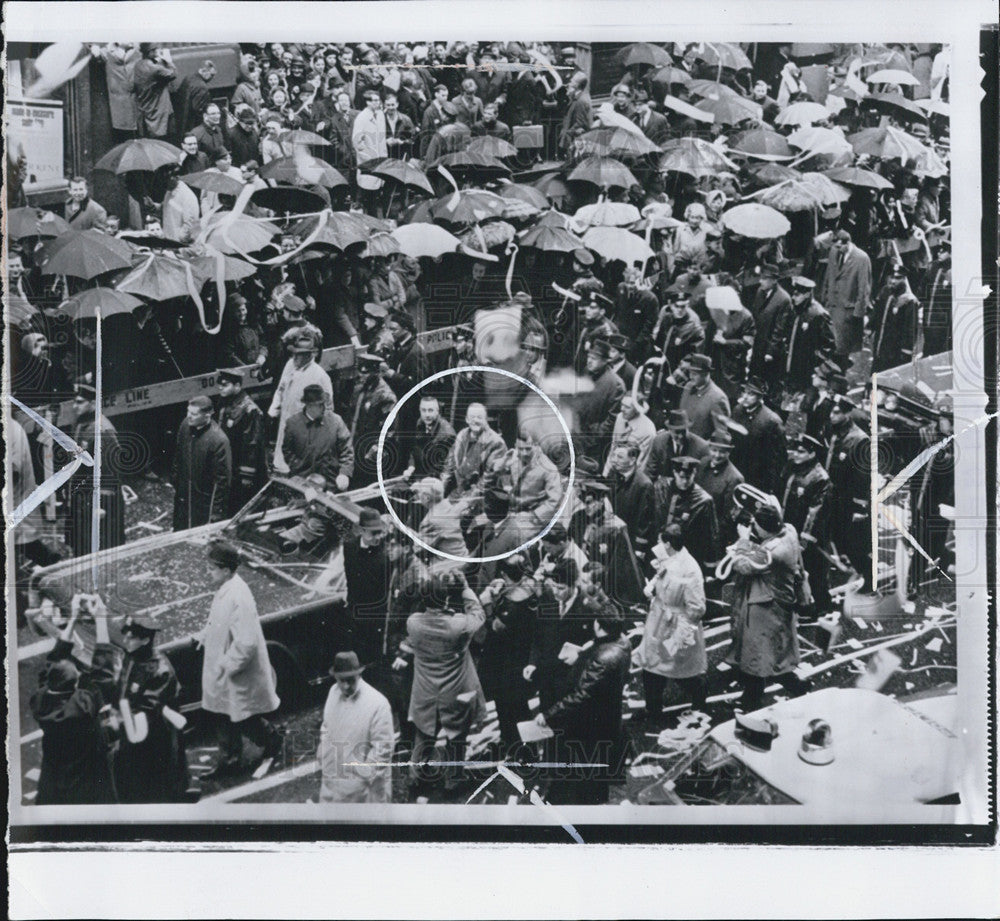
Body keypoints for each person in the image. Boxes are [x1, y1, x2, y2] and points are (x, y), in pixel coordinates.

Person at [197, 540, 283, 778]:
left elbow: (246, 641)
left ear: (226, 570)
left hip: (234, 673)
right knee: (226, 715)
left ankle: (271, 741)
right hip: (226, 670)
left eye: (212, 568)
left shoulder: (238, 596)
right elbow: (219, 622)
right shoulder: (228, 590)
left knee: (242, 716)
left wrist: (226, 666)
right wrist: (205, 636)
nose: (208, 572)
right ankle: (230, 758)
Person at [535, 600, 630, 805]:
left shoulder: (602, 659)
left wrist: (548, 714)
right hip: (608, 720)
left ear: (598, 625)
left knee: (578, 773)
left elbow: (581, 695)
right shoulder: (622, 644)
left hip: (590, 725)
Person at [724, 503, 811, 713]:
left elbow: (743, 566)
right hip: (779, 602)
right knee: (777, 656)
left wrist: (743, 539)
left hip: (765, 607)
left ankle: (751, 700)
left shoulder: (773, 553)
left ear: (765, 529)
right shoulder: (788, 531)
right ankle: (796, 685)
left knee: (757, 655)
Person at [405, 570, 487, 796]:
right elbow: (478, 614)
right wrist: (465, 588)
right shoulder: (457, 626)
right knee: (456, 738)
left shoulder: (413, 624)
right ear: (448, 598)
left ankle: (416, 778)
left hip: (424, 691)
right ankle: (453, 782)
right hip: (454, 691)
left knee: (423, 735)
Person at [29, 612, 116, 805]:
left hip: (54, 780)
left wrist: (74, 616)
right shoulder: (83, 705)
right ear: (75, 686)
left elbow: (54, 661)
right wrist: (100, 618)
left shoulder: (40, 700)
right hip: (88, 780)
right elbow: (103, 672)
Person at [105, 613, 191, 803]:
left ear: (145, 640)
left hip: (155, 739)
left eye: (131, 637)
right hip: (132, 734)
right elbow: (122, 687)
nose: (125, 639)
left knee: (155, 788)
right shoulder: (131, 655)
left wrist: (115, 723)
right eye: (125, 634)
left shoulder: (160, 670)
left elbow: (148, 710)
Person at [634, 523, 708, 725]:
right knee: (650, 667)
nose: (657, 544)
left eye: (660, 541)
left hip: (677, 625)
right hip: (659, 620)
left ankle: (700, 699)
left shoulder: (690, 570)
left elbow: (697, 608)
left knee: (681, 670)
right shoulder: (670, 558)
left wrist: (682, 634)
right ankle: (653, 709)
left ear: (668, 544)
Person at [317, 651, 394, 803]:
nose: (345, 686)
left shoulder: (378, 703)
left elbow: (383, 749)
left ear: (359, 675)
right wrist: (323, 753)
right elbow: (326, 726)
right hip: (332, 780)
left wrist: (362, 776)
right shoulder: (333, 692)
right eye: (341, 680)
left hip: (363, 789)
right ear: (335, 678)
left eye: (350, 680)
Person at [825, 393, 874, 593]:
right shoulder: (834, 431)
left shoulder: (859, 440)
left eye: (836, 412)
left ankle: (869, 577)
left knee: (854, 543)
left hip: (849, 501)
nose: (831, 415)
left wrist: (860, 507)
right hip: (833, 496)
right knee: (835, 535)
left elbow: (863, 478)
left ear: (846, 413)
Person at [782, 433, 833, 617]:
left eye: (801, 451)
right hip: (791, 527)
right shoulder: (793, 467)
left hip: (811, 536)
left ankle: (821, 605)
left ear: (812, 454)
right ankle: (803, 602)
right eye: (795, 449)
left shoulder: (819, 478)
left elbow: (815, 512)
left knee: (815, 570)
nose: (796, 454)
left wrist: (804, 539)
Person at [268, 331, 333, 474]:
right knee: (282, 457)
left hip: (305, 427)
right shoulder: (290, 365)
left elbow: (327, 408)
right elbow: (281, 388)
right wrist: (274, 409)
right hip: (286, 419)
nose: (295, 357)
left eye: (300, 354)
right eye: (294, 354)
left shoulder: (320, 376)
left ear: (310, 355)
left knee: (301, 465)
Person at [172, 395, 232, 531]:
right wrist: (176, 480)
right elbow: (178, 455)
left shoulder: (218, 441)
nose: (189, 416)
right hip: (183, 500)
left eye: (194, 414)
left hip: (202, 505)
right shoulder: (185, 426)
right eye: (188, 412)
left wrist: (215, 516)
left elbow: (222, 482)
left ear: (207, 416)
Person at [817, 229, 872, 369]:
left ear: (847, 243)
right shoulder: (834, 252)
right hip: (831, 307)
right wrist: (824, 298)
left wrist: (858, 315)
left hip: (847, 310)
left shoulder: (862, 258)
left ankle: (839, 377)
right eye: (834, 247)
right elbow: (828, 276)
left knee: (842, 349)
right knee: (829, 344)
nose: (837, 249)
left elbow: (864, 289)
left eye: (839, 246)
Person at [282, 383, 355, 488]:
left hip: (332, 483)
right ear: (309, 405)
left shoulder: (335, 421)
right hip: (303, 484)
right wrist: (298, 467)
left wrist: (344, 473)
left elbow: (347, 450)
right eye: (320, 405)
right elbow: (287, 451)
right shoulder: (293, 424)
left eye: (323, 404)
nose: (324, 408)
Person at [216, 368, 268, 515]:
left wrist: (247, 475)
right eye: (220, 384)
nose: (220, 387)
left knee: (245, 504)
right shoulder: (226, 401)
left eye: (225, 384)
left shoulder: (250, 410)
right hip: (232, 462)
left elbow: (252, 444)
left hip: (243, 466)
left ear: (238, 386)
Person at [657, 455, 720, 572]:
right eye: (681, 477)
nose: (685, 481)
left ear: (694, 473)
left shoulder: (704, 500)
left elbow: (711, 535)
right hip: (659, 550)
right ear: (674, 472)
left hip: (686, 555)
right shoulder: (661, 487)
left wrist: (710, 568)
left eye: (688, 477)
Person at [350, 352, 400, 486]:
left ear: (375, 373)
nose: (361, 376)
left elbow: (390, 428)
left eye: (366, 373)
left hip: (372, 449)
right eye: (360, 372)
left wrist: (376, 448)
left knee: (371, 485)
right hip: (356, 443)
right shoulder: (359, 388)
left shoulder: (385, 396)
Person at [731, 377, 787, 495]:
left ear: (760, 397)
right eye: (744, 392)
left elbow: (778, 457)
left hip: (757, 476)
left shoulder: (771, 421)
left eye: (751, 394)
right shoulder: (737, 411)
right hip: (736, 468)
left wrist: (770, 485)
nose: (745, 397)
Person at [575, 337, 626, 463]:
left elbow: (612, 418)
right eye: (589, 357)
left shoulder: (615, 384)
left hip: (595, 444)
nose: (589, 361)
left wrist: (595, 436)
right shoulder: (586, 372)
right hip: (577, 434)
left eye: (594, 359)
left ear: (605, 361)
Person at [441, 402, 507, 497]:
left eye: (479, 417)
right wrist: (439, 492)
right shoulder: (462, 435)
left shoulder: (496, 443)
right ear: (467, 419)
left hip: (484, 496)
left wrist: (466, 499)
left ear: (486, 420)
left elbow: (488, 479)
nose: (475, 420)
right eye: (472, 417)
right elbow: (449, 467)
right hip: (460, 491)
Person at [784, 276, 835, 395]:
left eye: (797, 295)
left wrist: (816, 363)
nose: (793, 297)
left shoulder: (818, 314)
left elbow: (829, 345)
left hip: (806, 367)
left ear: (807, 294)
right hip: (791, 363)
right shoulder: (794, 309)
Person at [607, 441, 656, 564]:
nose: (614, 460)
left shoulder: (644, 485)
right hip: (612, 538)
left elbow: (644, 522)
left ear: (633, 459)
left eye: (620, 457)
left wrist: (639, 550)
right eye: (614, 456)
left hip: (630, 543)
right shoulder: (612, 474)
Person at [748, 263, 794, 394]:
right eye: (760, 277)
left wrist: (771, 351)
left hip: (769, 346)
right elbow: (754, 315)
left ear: (774, 280)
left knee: (767, 377)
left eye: (764, 278)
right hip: (757, 342)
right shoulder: (760, 292)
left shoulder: (783, 299)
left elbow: (780, 328)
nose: (760, 281)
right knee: (754, 373)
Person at [696, 429, 744, 546]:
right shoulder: (702, 463)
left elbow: (728, 517)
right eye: (714, 450)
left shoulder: (734, 478)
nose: (717, 455)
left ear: (729, 453)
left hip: (712, 534)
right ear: (709, 449)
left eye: (722, 452)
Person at [871, 264, 920, 372]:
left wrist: (906, 351)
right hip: (880, 344)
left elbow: (911, 329)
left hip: (895, 350)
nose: (893, 281)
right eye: (892, 277)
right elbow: (877, 314)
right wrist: (870, 327)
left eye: (898, 278)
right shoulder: (885, 292)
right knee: (875, 376)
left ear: (904, 279)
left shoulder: (909, 301)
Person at [678, 353, 730, 441]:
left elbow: (721, 434)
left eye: (695, 374)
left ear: (706, 374)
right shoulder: (688, 387)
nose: (690, 377)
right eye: (690, 372)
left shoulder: (718, 398)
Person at [405, 395, 456, 480]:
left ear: (437, 411)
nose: (427, 415)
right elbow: (415, 451)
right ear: (420, 411)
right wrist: (411, 467)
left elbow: (448, 469)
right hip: (422, 475)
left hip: (438, 479)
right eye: (424, 410)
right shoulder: (420, 423)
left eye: (430, 410)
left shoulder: (447, 434)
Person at [133, 44, 177, 139]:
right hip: (159, 112)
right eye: (157, 49)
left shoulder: (138, 65)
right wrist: (168, 61)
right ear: (151, 52)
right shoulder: (155, 69)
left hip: (145, 111)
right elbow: (173, 74)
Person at [605, 394, 656, 474]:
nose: (622, 409)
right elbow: (613, 447)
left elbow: (642, 463)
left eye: (627, 407)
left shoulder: (648, 430)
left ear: (637, 409)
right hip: (613, 471)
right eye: (622, 405)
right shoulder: (620, 417)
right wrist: (606, 473)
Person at [174, 58, 217, 134]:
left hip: (180, 120)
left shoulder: (189, 77)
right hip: (191, 125)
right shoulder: (202, 88)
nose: (212, 78)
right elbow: (198, 111)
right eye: (211, 75)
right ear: (204, 71)